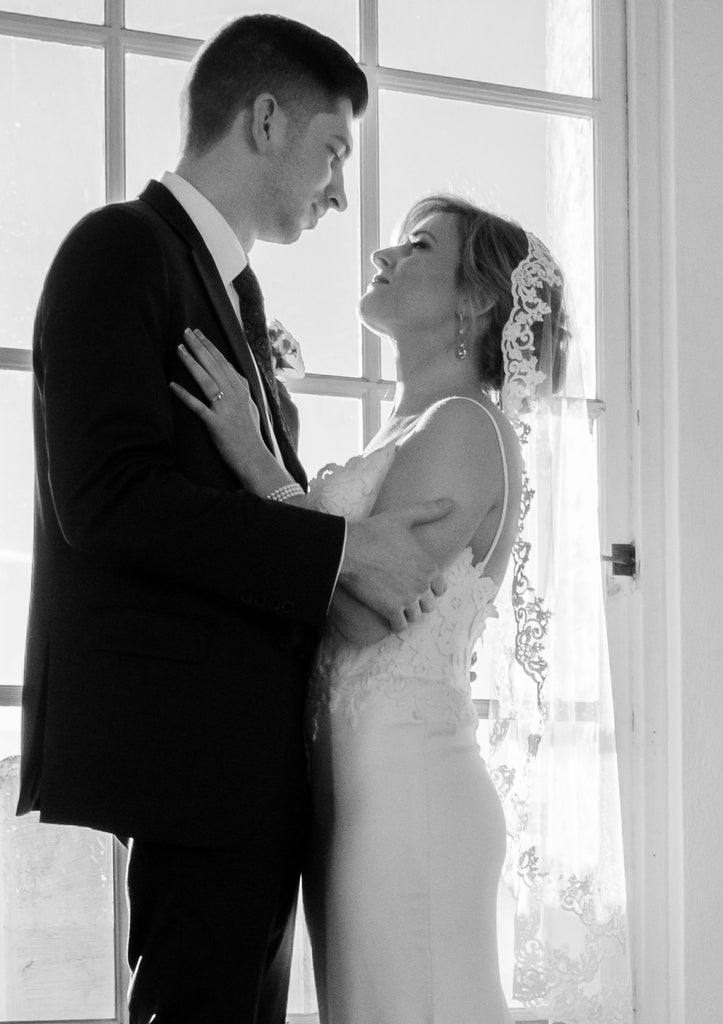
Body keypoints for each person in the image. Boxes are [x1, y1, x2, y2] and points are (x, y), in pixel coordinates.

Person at [16, 16, 457, 1024]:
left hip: (248, 765)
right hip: (188, 760)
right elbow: (108, 500)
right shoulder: (117, 250)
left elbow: (256, 491)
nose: (342, 189)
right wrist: (343, 548)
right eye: (334, 150)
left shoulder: (238, 294)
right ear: (265, 120)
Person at [172, 193, 571, 1022]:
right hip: (352, 799)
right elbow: (336, 579)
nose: (383, 259)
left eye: (417, 246)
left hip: (411, 799)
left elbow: (363, 614)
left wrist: (256, 462)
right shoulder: (406, 430)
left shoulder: (463, 426)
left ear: (474, 302)